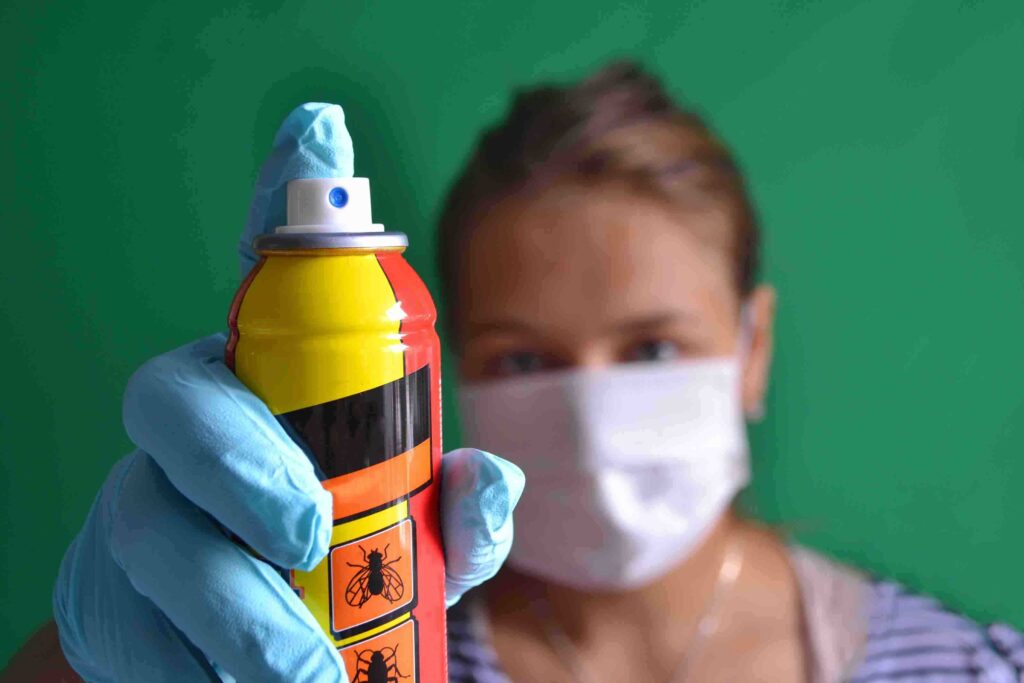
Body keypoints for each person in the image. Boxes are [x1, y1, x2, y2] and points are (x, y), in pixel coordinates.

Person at [6, 62, 1024, 682]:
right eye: (525, 356)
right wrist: (86, 661)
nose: (589, 414)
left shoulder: (970, 666)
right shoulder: (361, 645)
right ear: (458, 376)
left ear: (751, 349)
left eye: (652, 348)